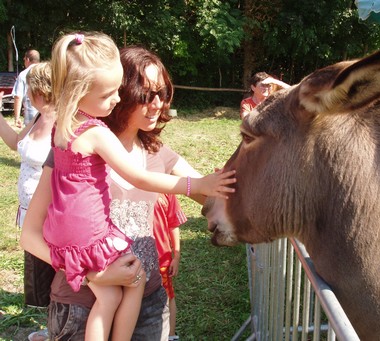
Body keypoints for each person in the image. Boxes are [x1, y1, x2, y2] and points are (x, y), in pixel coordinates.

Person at [22, 32, 234, 340]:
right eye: (146, 94)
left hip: (148, 303)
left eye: (162, 92)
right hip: (80, 306)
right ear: (118, 90)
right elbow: (30, 236)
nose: (158, 104)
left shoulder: (158, 153)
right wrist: (94, 274)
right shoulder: (73, 145)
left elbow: (211, 193)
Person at [0, 62, 55, 323]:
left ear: (39, 92)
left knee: (48, 261)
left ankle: (50, 311)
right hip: (28, 206)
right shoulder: (37, 118)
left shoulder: (63, 124)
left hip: (48, 209)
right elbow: (15, 143)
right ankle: (38, 306)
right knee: (34, 259)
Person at [153, 194, 187, 340]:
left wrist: (176, 256)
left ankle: (171, 335)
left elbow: (173, 224)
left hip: (161, 259)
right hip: (131, 260)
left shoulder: (166, 191)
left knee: (167, 296)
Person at [12, 49, 40, 128]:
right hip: (48, 117)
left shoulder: (23, 74)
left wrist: (17, 118)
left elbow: (18, 97)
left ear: (27, 59)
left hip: (31, 117)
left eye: (24, 59)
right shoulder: (47, 72)